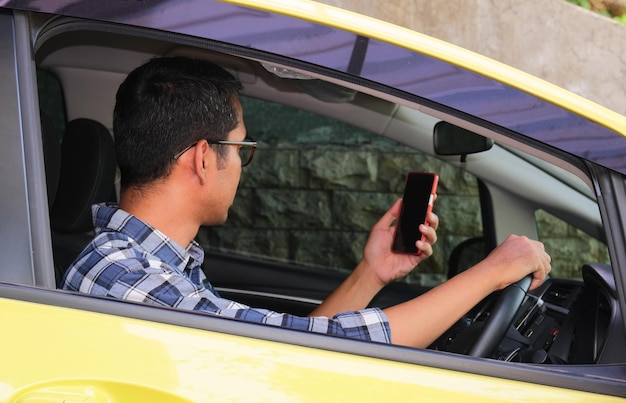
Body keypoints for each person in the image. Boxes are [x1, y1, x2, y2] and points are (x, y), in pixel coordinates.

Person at [62, 57, 551, 348]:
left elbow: (285, 347)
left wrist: (372, 273)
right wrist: (490, 273)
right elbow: (333, 347)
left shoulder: (150, 263)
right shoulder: (126, 281)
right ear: (204, 160)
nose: (242, 167)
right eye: (242, 149)